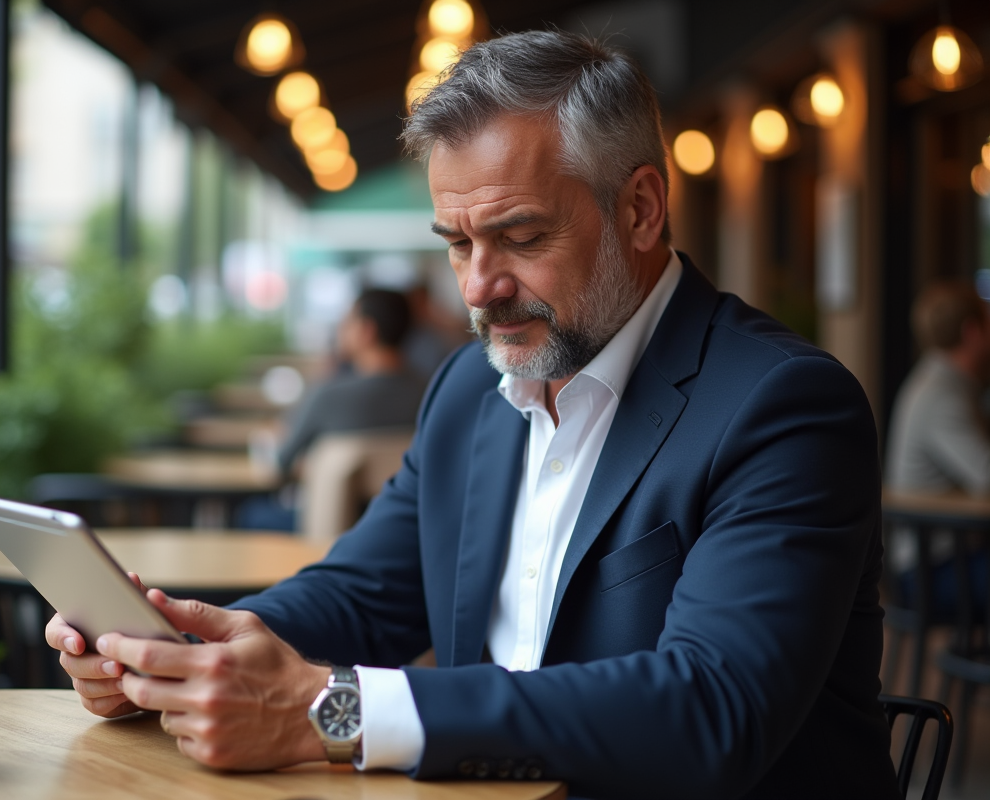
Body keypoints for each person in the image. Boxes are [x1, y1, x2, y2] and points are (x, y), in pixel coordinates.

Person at [46, 31, 898, 798]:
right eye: (457, 244)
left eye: (521, 238)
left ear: (640, 209)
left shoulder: (783, 405)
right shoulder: (467, 389)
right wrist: (186, 656)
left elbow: (712, 710)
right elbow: (367, 594)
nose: (480, 288)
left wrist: (334, 712)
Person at [885, 280, 990, 612]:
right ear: (972, 331)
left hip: (948, 556)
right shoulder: (940, 395)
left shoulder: (947, 383)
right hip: (930, 570)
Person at [274, 288, 428, 476]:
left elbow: (281, 460)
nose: (340, 330)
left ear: (367, 331)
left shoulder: (328, 398)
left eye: (347, 322)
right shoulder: (429, 392)